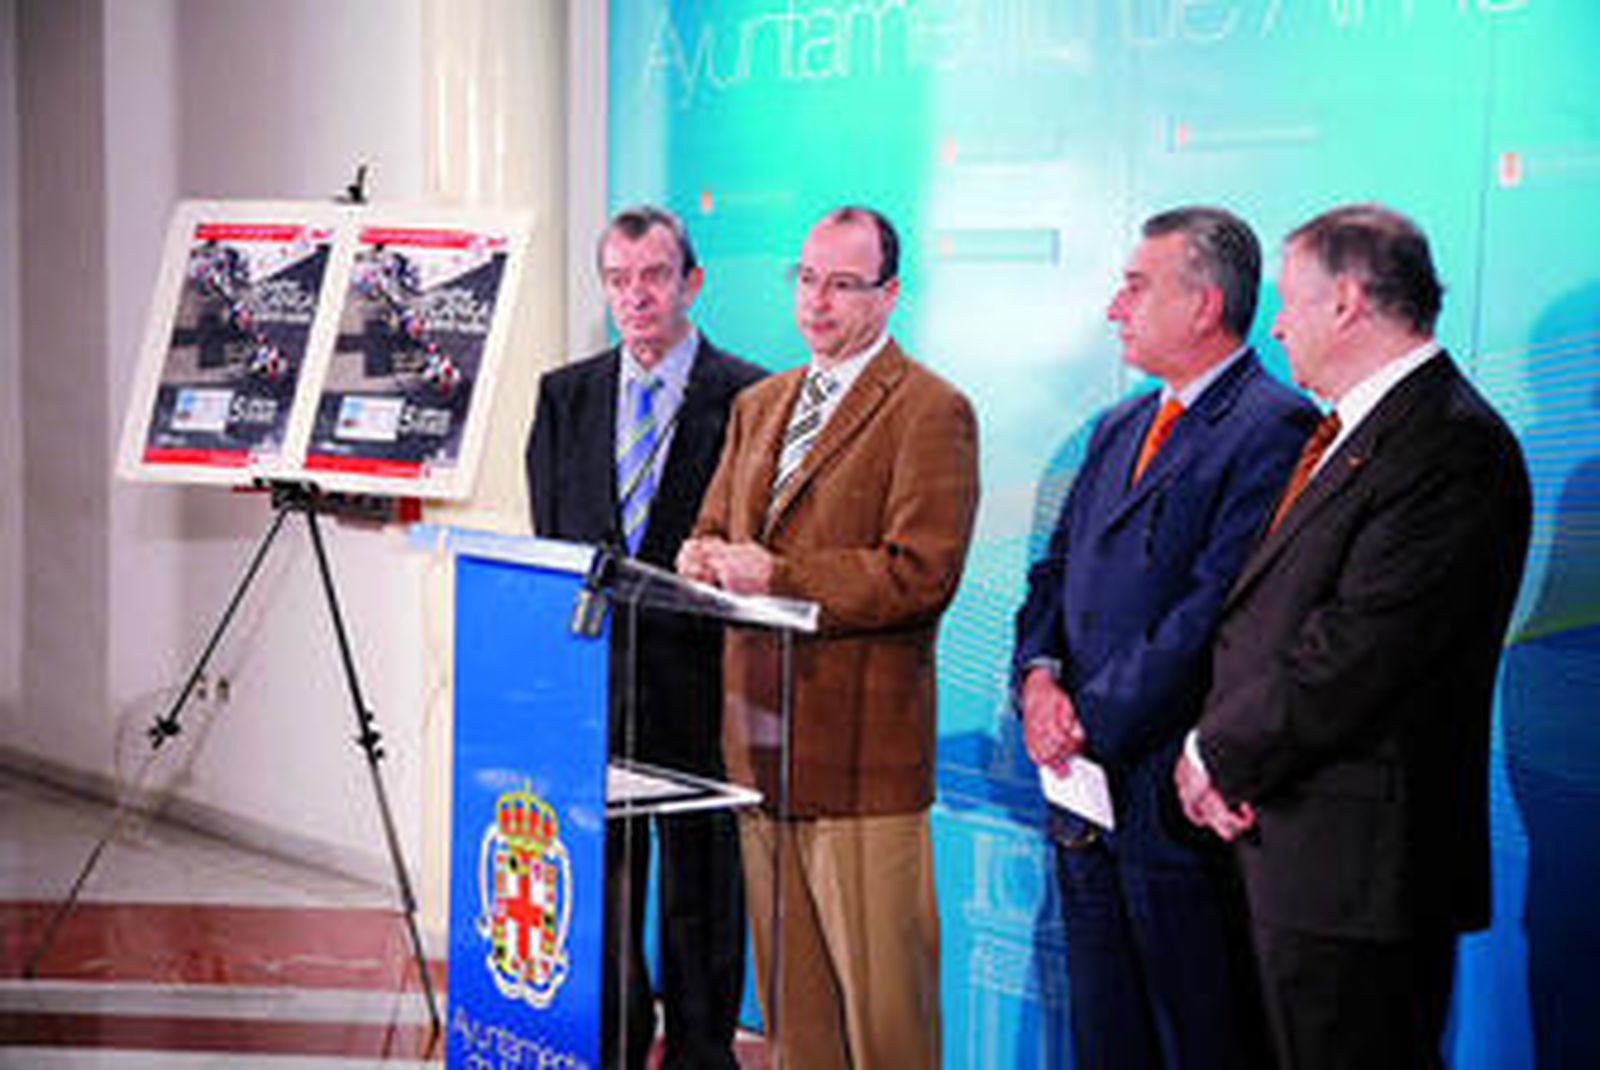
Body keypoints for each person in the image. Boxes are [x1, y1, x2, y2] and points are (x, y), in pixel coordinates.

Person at [1176, 203, 1532, 1069]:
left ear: (1345, 302)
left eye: (1290, 301)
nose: (1277, 324)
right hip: (1287, 845)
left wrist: (1215, 755)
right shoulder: (1350, 431)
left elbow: (1359, 652)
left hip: (1359, 877)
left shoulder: (1452, 447)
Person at [1012, 206, 1315, 1069]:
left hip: (1170, 803)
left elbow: (1214, 611)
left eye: (1136, 287)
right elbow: (1053, 575)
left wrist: (1086, 721)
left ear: (1205, 304)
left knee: (1200, 1034)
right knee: (1106, 1036)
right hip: (1081, 795)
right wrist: (1039, 683)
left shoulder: (1274, 427)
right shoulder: (1118, 428)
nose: (1116, 307)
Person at [677, 205, 979, 1070]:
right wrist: (698, 553)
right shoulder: (759, 403)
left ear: (889, 295)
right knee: (794, 1021)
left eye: (843, 285)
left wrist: (778, 574)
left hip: (859, 764)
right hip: (760, 752)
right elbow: (714, 522)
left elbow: (920, 573)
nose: (817, 303)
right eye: (806, 279)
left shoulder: (931, 410)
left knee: (888, 1025)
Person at [525, 205, 765, 1070]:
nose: (637, 297)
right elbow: (552, 541)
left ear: (691, 282)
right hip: (596, 683)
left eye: (655, 276)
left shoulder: (750, 395)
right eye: (619, 279)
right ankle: (614, 1044)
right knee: (605, 884)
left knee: (701, 885)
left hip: (702, 684)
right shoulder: (565, 394)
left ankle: (703, 1052)